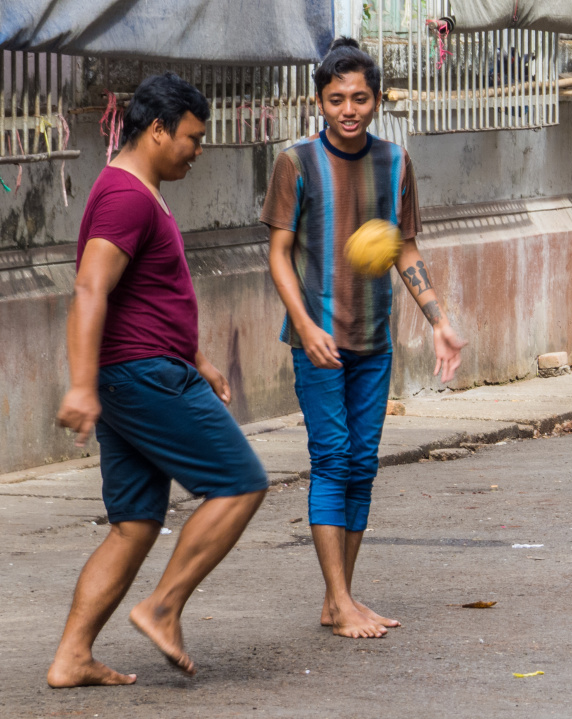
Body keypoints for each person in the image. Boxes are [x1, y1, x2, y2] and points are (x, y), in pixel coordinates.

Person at [49, 73, 268, 687]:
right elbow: (91, 289)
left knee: (136, 524)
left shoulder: (134, 189)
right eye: (193, 138)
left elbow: (143, 297)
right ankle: (163, 607)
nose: (198, 151)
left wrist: (196, 357)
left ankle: (72, 656)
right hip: (143, 375)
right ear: (157, 130)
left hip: (138, 371)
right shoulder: (127, 197)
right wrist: (80, 384)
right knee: (240, 483)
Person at [262, 38, 466, 639]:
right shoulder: (296, 163)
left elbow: (405, 248)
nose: (348, 110)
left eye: (359, 98)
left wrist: (439, 320)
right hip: (318, 342)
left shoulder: (396, 162)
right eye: (336, 99)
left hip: (375, 339)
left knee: (362, 464)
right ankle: (339, 599)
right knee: (331, 460)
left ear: (377, 99)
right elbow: (277, 255)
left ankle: (340, 599)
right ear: (319, 102)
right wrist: (304, 325)